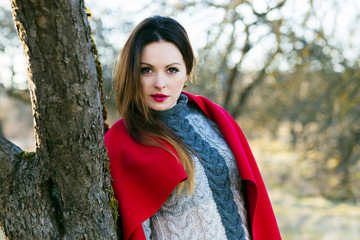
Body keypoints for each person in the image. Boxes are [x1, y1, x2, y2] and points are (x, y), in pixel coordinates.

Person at [105, 15, 281, 240]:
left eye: (172, 70)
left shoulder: (214, 118)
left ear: (187, 72)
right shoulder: (122, 142)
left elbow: (253, 204)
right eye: (147, 70)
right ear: (132, 73)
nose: (160, 83)